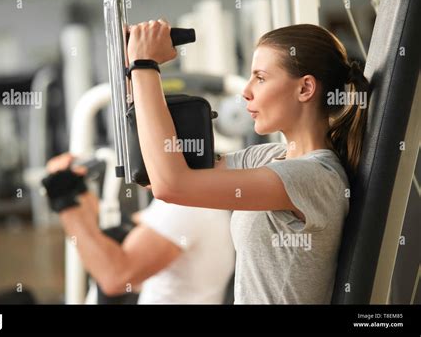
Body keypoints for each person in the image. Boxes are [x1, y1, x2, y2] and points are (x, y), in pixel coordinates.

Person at [126, 20, 370, 304]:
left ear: (305, 89)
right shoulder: (267, 158)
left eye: (261, 78)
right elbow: (153, 173)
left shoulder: (315, 176)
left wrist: (145, 65)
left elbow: (172, 185)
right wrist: (132, 68)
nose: (246, 91)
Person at [46, 153, 235, 304]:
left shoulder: (186, 207)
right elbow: (112, 228)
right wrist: (77, 190)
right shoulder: (189, 198)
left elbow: (115, 277)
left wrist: (64, 200)